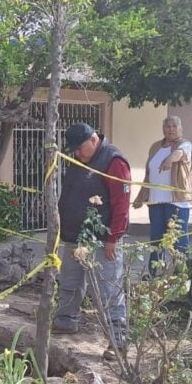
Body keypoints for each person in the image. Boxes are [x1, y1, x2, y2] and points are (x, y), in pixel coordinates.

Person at [54, 122, 132, 361]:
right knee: (69, 281)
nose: (77, 153)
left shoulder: (114, 162)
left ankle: (118, 341)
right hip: (74, 236)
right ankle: (66, 321)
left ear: (94, 139)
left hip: (102, 240)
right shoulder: (81, 159)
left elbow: (121, 204)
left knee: (109, 289)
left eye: (80, 148)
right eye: (74, 150)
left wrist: (114, 238)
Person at [133, 115, 192, 274]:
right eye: (167, 126)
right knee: (156, 240)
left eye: (174, 126)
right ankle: (155, 275)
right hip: (155, 202)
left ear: (180, 129)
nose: (171, 129)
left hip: (176, 202)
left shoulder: (184, 144)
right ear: (163, 129)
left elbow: (180, 154)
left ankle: (181, 276)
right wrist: (141, 197)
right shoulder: (155, 147)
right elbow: (149, 174)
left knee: (178, 241)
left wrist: (169, 160)